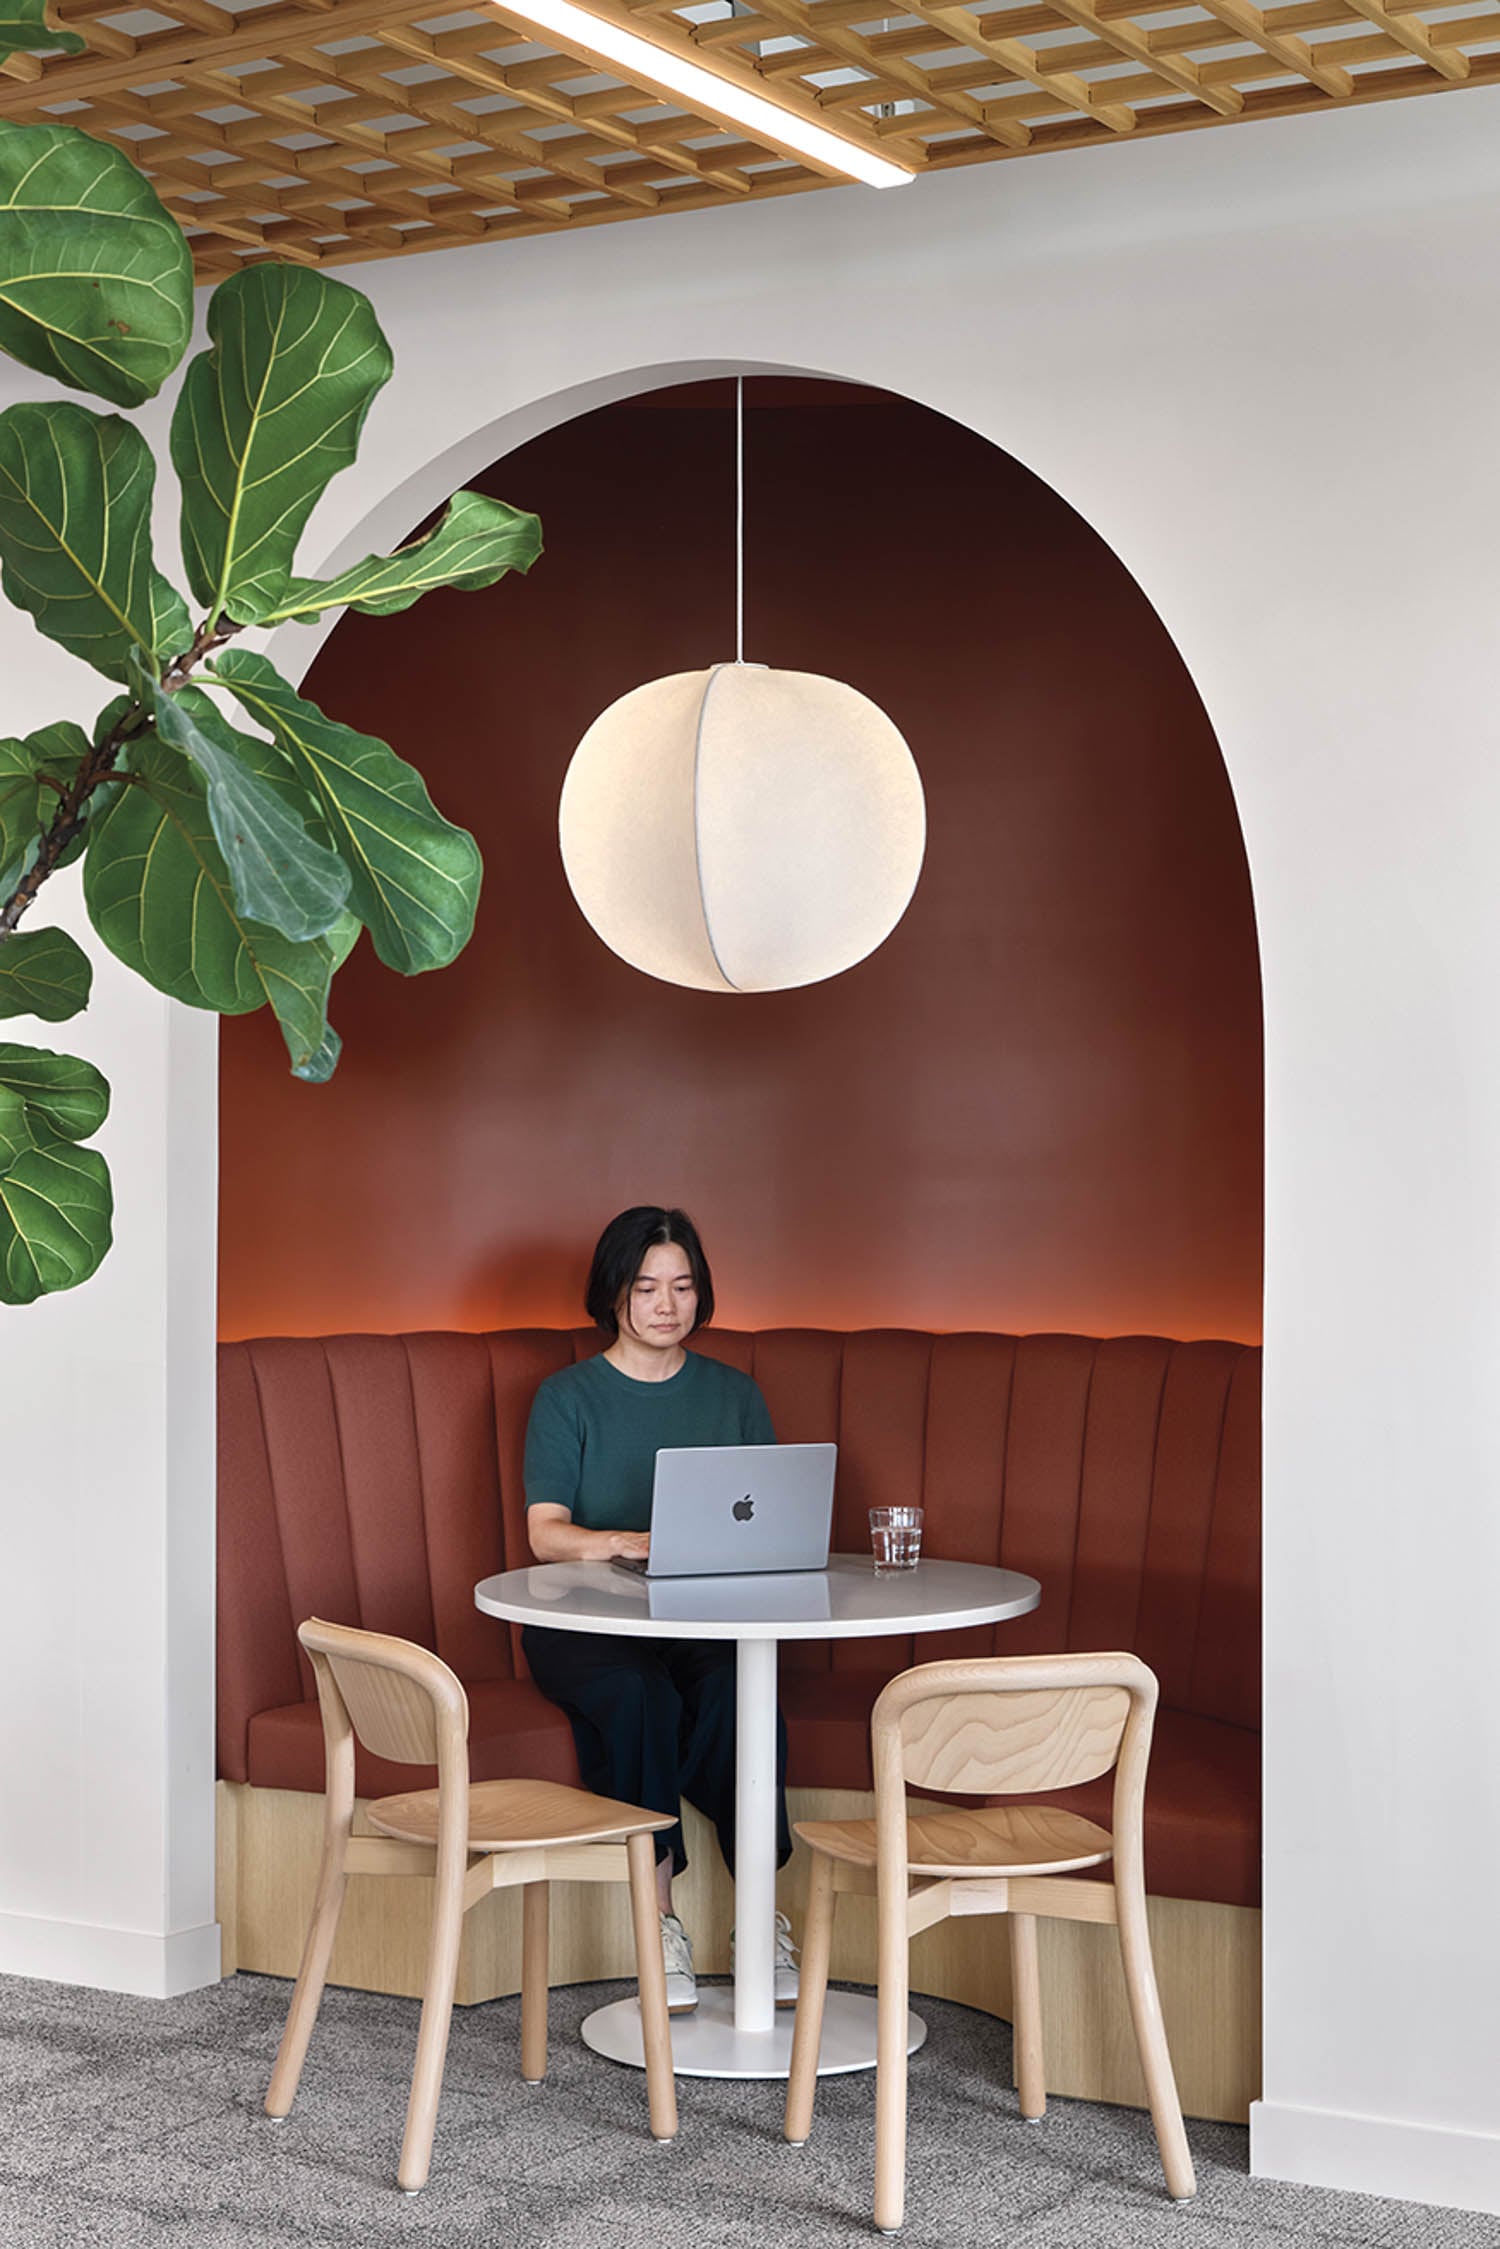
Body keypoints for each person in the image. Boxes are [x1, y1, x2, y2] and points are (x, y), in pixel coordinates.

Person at [521, 1205, 797, 2015]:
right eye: (646, 1286)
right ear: (613, 1293)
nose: (666, 1304)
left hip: (702, 1620)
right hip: (583, 1622)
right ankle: (662, 1924)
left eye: (682, 1286)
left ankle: (757, 1916)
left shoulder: (735, 1395)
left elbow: (771, 1515)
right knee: (639, 1698)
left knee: (742, 1693)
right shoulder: (566, 1396)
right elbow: (544, 1532)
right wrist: (623, 1542)